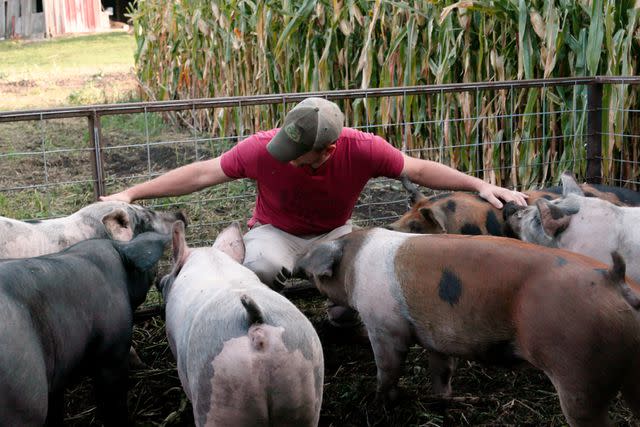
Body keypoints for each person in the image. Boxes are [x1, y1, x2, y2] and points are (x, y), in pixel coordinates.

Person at [101, 97, 527, 326]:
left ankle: (341, 310)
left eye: (297, 155)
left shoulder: (363, 149)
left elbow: (416, 168)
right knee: (260, 266)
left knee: (362, 291)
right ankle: (262, 320)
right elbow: (201, 174)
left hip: (335, 231)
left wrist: (480, 184)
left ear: (329, 149)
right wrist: (133, 192)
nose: (284, 160)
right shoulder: (264, 149)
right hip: (276, 231)